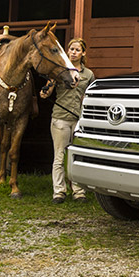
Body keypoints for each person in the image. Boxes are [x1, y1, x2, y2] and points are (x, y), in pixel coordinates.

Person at [40, 38, 95, 204]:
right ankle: (59, 191)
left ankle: (78, 191)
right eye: (71, 49)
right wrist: (47, 87)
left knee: (76, 156)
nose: (73, 52)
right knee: (59, 155)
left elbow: (90, 97)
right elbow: (46, 93)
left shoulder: (88, 74)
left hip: (78, 120)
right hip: (60, 119)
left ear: (83, 53)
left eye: (77, 50)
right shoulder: (59, 70)